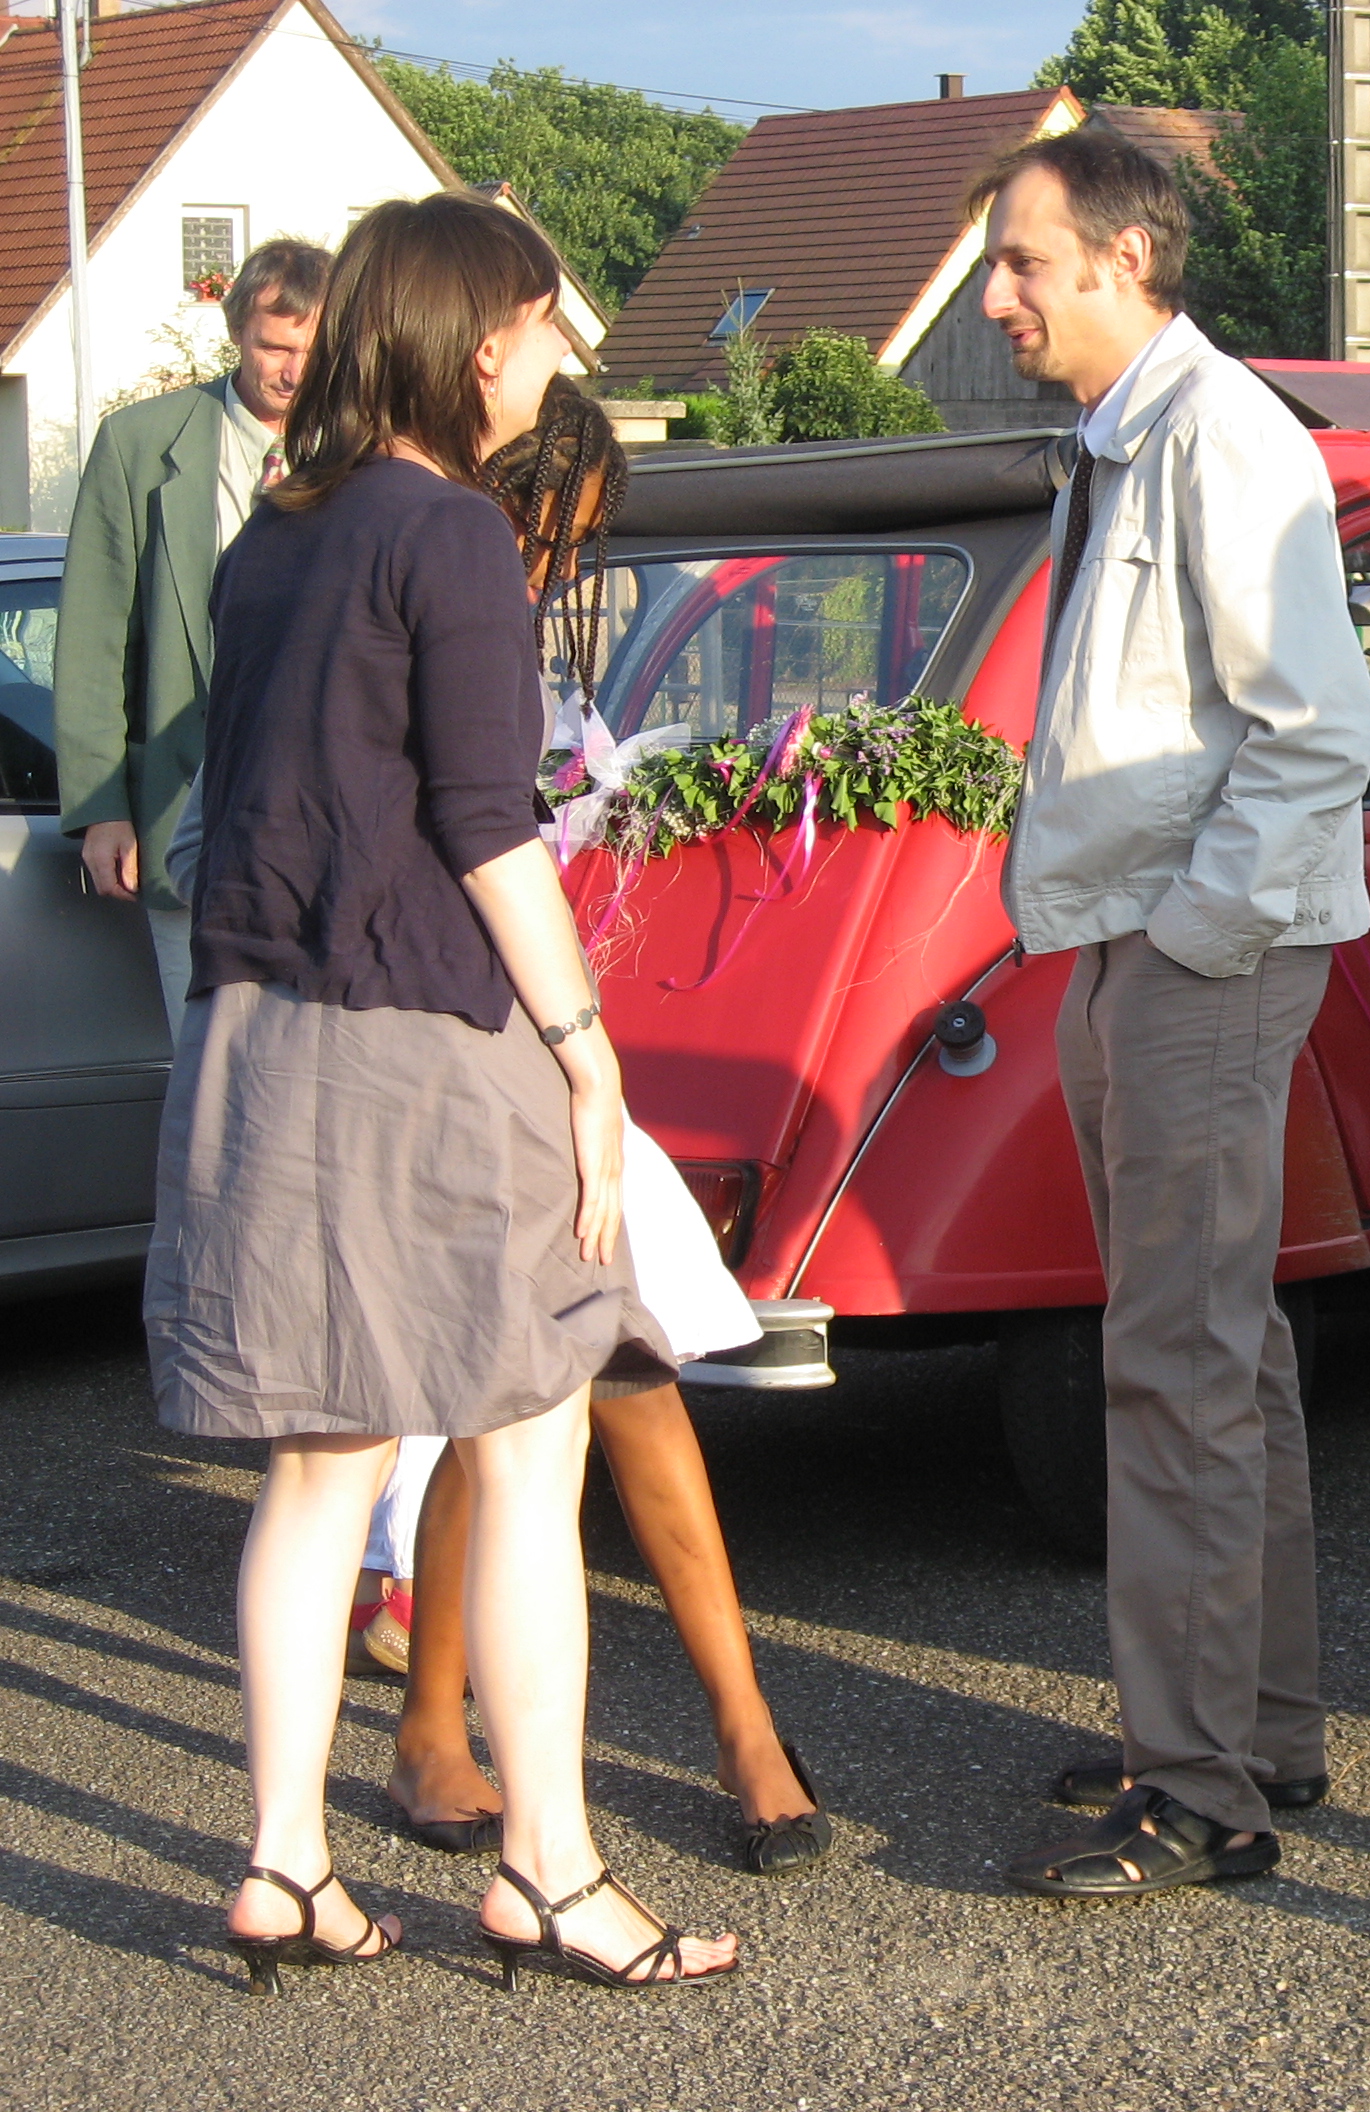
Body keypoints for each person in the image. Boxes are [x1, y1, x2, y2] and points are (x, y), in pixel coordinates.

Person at [144, 191, 738, 1993]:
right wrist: (585, 1050)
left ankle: (284, 1863)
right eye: (547, 327)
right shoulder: (454, 533)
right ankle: (550, 1871)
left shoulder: (277, 532)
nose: (559, 358)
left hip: (257, 1030)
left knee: (318, 1463)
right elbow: (487, 827)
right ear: (483, 347)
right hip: (422, 1032)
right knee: (531, 1440)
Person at [967, 129, 1370, 1898]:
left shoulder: (1220, 436)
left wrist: (1195, 940)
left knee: (1178, 1360)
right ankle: (1249, 1727)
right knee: (1223, 1351)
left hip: (1197, 951)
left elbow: (1318, 728)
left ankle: (1202, 1784)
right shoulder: (1134, 438)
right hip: (1147, 941)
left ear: (1124, 257)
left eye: (1022, 261)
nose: (996, 296)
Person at [381, 378, 830, 1879]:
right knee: (499, 1395)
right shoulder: (428, 588)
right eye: (542, 523)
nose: (554, 560)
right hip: (465, 1040)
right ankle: (436, 1726)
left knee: (628, 1374)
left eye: (569, 536)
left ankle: (741, 1724)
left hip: (549, 1037)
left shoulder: (497, 613)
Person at [56, 238, 328, 1031]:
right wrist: (103, 808)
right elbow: (96, 636)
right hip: (186, 824)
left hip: (323, 828)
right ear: (237, 331)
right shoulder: (138, 443)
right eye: (274, 348)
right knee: (202, 1066)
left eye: (311, 352)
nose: (293, 373)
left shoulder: (367, 449)